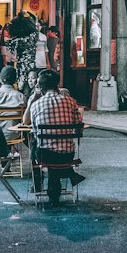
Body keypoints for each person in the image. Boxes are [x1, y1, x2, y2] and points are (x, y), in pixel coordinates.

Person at [24, 69, 85, 206]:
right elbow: (78, 126)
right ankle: (68, 173)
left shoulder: (36, 105)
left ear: (41, 87)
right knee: (55, 150)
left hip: (46, 156)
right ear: (57, 84)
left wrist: (31, 100)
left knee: (35, 144)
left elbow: (29, 126)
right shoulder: (70, 102)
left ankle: (38, 185)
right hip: (68, 155)